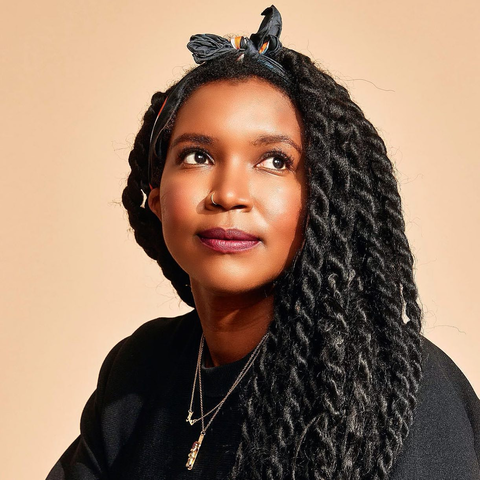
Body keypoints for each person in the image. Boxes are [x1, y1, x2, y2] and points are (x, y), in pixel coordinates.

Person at [47, 6, 479, 480]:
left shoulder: (395, 389)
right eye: (197, 155)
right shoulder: (138, 372)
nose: (228, 193)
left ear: (322, 198)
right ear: (155, 193)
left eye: (274, 161)